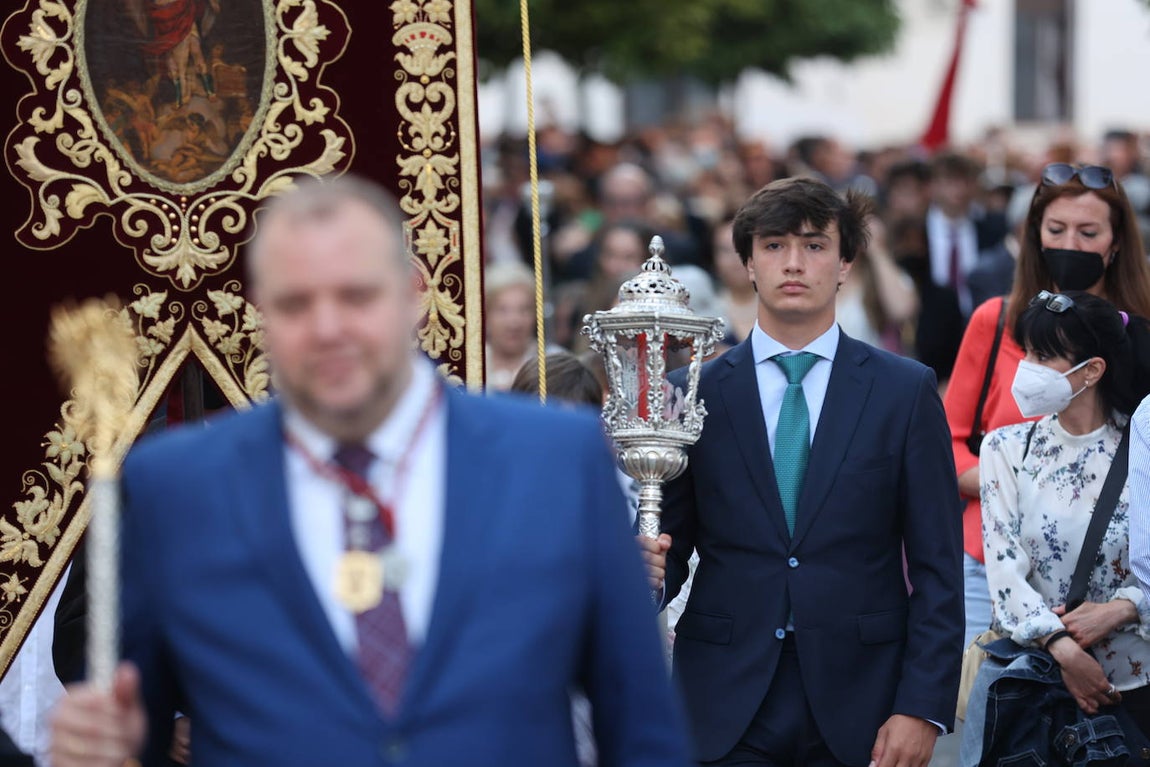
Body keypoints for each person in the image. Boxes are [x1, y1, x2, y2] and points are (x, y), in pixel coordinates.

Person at [48, 174, 689, 767]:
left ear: (413, 293)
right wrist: (106, 740)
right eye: (297, 303)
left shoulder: (555, 460)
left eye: (356, 295)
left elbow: (639, 727)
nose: (328, 328)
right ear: (262, 311)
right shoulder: (177, 484)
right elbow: (136, 709)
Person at [659, 176, 964, 767]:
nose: (793, 264)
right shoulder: (691, 392)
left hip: (866, 697)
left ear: (846, 263)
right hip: (724, 693)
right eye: (773, 246)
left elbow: (937, 566)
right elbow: (668, 548)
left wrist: (922, 705)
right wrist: (638, 571)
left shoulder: (904, 391)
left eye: (814, 245)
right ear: (747, 263)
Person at [943, 162, 1150, 653]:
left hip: (1114, 577)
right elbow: (945, 443)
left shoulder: (1139, 336)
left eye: (1088, 231)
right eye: (1056, 230)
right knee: (998, 710)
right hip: (993, 564)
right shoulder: (996, 321)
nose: (1071, 245)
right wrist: (1012, 484)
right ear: (1034, 235)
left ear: (1115, 242)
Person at [967, 290, 1150, 760]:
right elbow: (1005, 574)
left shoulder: (1143, 444)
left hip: (1136, 689)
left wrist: (1124, 607)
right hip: (1035, 685)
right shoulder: (1005, 449)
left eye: (1044, 355)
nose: (1026, 367)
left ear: (1092, 370)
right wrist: (1065, 651)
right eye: (1025, 351)